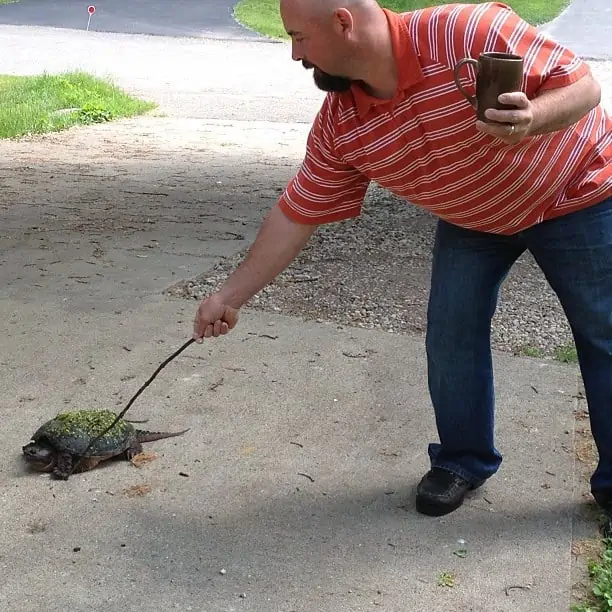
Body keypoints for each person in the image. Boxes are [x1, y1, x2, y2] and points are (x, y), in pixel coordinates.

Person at [192, 0, 612, 521]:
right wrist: (228, 297)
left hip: (579, 193)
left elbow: (585, 88)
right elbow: (294, 214)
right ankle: (462, 460)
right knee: (450, 334)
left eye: (299, 37)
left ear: (344, 22)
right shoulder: (343, 125)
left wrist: (533, 116)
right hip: (474, 217)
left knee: (604, 334)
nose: (295, 54)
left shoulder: (464, 31)